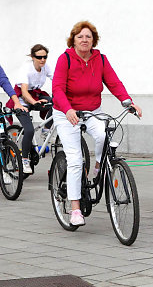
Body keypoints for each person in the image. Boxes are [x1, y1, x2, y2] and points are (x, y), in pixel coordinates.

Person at [52, 21, 142, 227]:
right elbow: (57, 89)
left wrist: (128, 102)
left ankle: (99, 166)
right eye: (80, 37)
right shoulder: (65, 59)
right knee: (75, 160)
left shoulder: (100, 59)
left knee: (103, 135)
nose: (84, 40)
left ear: (94, 40)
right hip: (67, 112)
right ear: (73, 40)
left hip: (92, 111)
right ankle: (75, 208)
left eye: (88, 37)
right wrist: (68, 110)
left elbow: (113, 82)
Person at [8, 44, 54, 174]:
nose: (43, 60)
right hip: (22, 100)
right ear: (33, 57)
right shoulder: (26, 69)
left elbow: (57, 80)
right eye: (39, 57)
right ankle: (24, 159)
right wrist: (35, 102)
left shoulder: (46, 67)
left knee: (56, 102)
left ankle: (46, 129)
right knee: (29, 130)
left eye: (45, 57)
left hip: (35, 95)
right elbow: (24, 92)